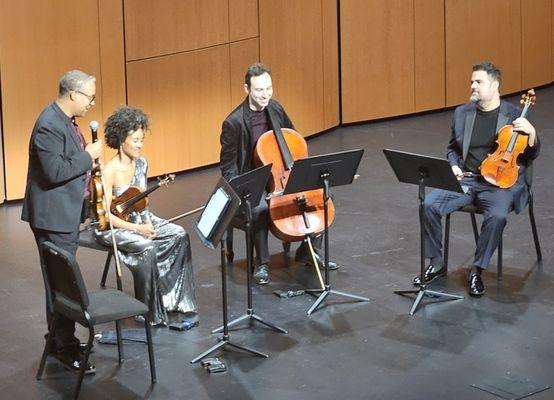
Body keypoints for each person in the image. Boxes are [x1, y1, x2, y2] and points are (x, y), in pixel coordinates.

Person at [413, 61, 540, 296]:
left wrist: (532, 134)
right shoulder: (463, 112)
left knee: (498, 216)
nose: (472, 85)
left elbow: (530, 154)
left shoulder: (514, 115)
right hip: (467, 179)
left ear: (495, 86)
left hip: (500, 185)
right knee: (429, 204)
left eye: (478, 82)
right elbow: (452, 148)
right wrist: (453, 166)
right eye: (472, 81)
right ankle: (437, 263)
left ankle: (477, 270)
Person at [220, 63, 337, 285]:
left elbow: (294, 138)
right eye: (259, 90)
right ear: (247, 89)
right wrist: (242, 190)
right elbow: (228, 167)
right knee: (260, 209)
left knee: (322, 197)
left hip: (281, 173)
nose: (265, 95)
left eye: (269, 88)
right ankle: (262, 263)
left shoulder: (275, 109)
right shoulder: (233, 122)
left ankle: (307, 252)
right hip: (254, 179)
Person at [21, 70, 103, 374]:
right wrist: (87, 156)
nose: (91, 103)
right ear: (73, 94)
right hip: (52, 218)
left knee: (60, 280)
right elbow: (55, 171)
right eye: (90, 97)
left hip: (63, 213)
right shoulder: (48, 125)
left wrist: (87, 166)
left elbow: (67, 164)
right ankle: (64, 346)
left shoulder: (65, 122)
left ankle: (59, 338)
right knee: (61, 283)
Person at [93, 106, 197, 326]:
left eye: (142, 139)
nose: (140, 144)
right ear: (122, 139)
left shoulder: (142, 162)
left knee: (178, 234)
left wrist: (148, 223)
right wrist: (139, 230)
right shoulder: (108, 171)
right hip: (113, 227)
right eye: (136, 140)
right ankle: (148, 310)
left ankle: (172, 299)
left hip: (138, 220)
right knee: (147, 247)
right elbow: (107, 218)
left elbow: (141, 204)